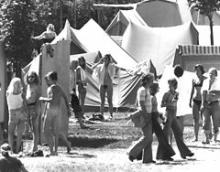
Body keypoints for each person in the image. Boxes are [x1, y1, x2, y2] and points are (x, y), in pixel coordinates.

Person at [39, 71, 71, 155]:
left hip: (52, 111)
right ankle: (65, 144)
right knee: (55, 131)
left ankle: (53, 150)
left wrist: (43, 99)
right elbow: (64, 97)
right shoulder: (55, 88)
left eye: (48, 78)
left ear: (53, 79)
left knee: (46, 130)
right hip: (54, 110)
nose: (47, 80)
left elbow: (52, 100)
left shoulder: (53, 88)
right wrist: (44, 112)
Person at [161, 78, 194, 159]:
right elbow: (162, 104)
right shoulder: (166, 94)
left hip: (174, 114)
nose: (169, 86)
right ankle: (163, 154)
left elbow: (175, 104)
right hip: (168, 114)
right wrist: (169, 103)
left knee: (178, 134)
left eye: (171, 85)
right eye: (169, 84)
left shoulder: (176, 93)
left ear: (175, 86)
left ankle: (185, 152)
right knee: (165, 135)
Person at [128, 73, 155, 164]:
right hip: (144, 114)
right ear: (147, 80)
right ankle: (132, 152)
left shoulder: (146, 90)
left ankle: (148, 158)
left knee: (149, 138)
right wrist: (146, 115)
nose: (153, 81)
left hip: (148, 114)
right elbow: (142, 104)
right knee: (147, 137)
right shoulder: (142, 90)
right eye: (151, 79)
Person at [92, 54, 125, 119]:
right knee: (102, 101)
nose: (105, 60)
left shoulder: (112, 66)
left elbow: (119, 67)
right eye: (104, 58)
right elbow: (92, 67)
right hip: (102, 84)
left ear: (109, 59)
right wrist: (99, 62)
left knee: (110, 100)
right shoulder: (100, 66)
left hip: (109, 84)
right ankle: (101, 115)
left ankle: (111, 114)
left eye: (107, 58)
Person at [150, 82, 175, 161]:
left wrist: (159, 115)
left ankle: (136, 153)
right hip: (153, 119)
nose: (158, 89)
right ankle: (166, 154)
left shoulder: (152, 97)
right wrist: (159, 117)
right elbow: (153, 110)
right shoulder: (152, 97)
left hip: (154, 118)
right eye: (157, 87)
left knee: (148, 138)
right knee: (162, 138)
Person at [6, 77, 25, 153]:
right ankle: (13, 150)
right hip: (16, 113)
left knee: (15, 133)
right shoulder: (10, 93)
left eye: (18, 84)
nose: (17, 85)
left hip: (15, 113)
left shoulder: (10, 93)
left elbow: (24, 103)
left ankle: (14, 150)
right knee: (14, 132)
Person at [201, 67, 220, 144]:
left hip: (215, 103)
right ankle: (206, 139)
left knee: (216, 121)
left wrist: (214, 94)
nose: (210, 75)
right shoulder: (205, 81)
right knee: (206, 121)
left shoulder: (218, 82)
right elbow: (203, 93)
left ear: (215, 74)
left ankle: (215, 138)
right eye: (209, 73)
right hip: (206, 103)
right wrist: (202, 104)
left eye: (212, 73)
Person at [189, 64, 206, 141]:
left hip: (203, 100)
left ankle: (207, 137)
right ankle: (196, 137)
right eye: (196, 70)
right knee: (195, 119)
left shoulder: (205, 79)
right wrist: (189, 100)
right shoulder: (194, 79)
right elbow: (192, 90)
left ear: (201, 71)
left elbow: (206, 91)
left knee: (204, 119)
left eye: (198, 70)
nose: (197, 71)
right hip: (195, 100)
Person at [25, 71, 41, 152]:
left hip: (35, 107)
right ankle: (33, 144)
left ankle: (35, 146)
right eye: (29, 77)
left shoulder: (37, 86)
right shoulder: (27, 86)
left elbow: (38, 99)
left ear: (35, 78)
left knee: (35, 127)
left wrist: (35, 109)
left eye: (32, 77)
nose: (30, 78)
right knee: (30, 128)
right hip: (28, 107)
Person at [70, 60, 86, 128]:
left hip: (72, 91)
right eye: (75, 65)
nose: (76, 67)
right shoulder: (67, 71)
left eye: (76, 65)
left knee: (77, 107)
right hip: (68, 91)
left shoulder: (74, 72)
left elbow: (74, 82)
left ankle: (81, 124)